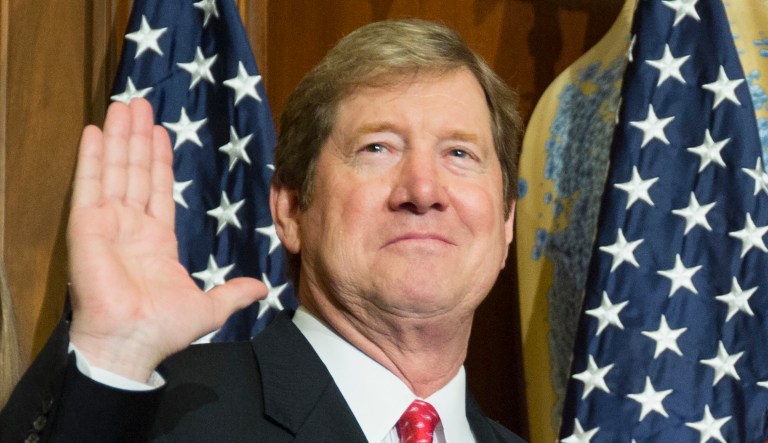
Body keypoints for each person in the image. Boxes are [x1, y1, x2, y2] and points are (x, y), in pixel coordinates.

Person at [0, 19, 525, 442]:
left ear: (505, 224)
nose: (423, 189)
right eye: (377, 148)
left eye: (460, 153)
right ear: (292, 209)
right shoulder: (161, 412)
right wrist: (114, 355)